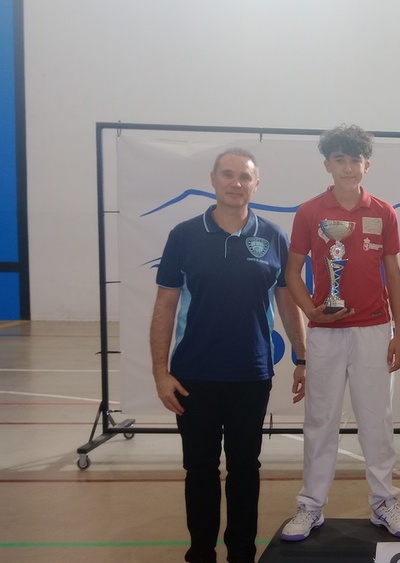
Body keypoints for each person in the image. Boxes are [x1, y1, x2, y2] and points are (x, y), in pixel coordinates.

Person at [150, 148, 306, 563]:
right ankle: (200, 553)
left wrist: (302, 357)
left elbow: (287, 303)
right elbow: (165, 305)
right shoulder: (184, 235)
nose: (236, 183)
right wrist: (160, 372)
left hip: (251, 375)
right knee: (199, 471)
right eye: (228, 175)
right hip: (192, 377)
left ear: (256, 184)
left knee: (244, 470)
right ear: (214, 179)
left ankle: (241, 554)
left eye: (245, 177)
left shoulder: (273, 236)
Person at [279, 124, 400, 541]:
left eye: (355, 160)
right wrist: (312, 309)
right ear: (327, 164)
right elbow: (291, 273)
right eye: (339, 159)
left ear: (366, 165)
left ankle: (383, 503)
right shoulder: (309, 212)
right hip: (326, 332)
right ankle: (311, 506)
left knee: (377, 420)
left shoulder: (383, 212)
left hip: (374, 330)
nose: (348, 167)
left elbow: (393, 272)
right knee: (321, 421)